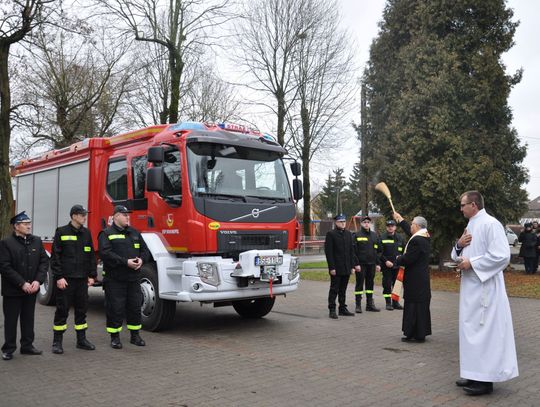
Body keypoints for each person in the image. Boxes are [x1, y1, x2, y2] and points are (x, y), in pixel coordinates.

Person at [452, 190, 518, 396]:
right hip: (470, 288)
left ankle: (486, 380)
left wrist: (472, 263)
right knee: (469, 331)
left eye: (463, 205)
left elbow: (501, 256)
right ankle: (473, 373)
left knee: (485, 334)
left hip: (486, 289)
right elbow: (458, 253)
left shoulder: (491, 224)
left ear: (474, 204)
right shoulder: (471, 225)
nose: (460, 208)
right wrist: (459, 246)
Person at [98, 205, 150, 348]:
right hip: (115, 279)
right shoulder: (106, 233)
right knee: (115, 308)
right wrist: (125, 262)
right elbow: (105, 254)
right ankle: (114, 337)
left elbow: (145, 251)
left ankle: (135, 336)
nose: (128, 217)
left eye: (128, 214)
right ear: (115, 217)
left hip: (133, 279)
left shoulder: (134, 233)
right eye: (124, 214)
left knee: (134, 307)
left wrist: (141, 260)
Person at [0, 211, 48, 360]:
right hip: (13, 291)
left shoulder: (36, 241)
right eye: (25, 224)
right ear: (16, 226)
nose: (29, 226)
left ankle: (27, 346)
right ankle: (8, 349)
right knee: (11, 320)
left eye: (29, 223)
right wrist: (22, 283)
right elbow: (4, 266)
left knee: (28, 319)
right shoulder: (6, 243)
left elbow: (44, 262)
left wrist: (37, 281)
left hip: (31, 289)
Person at [50, 204, 97, 354]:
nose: (85, 217)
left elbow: (91, 256)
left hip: (82, 279)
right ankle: (57, 342)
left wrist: (92, 275)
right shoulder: (61, 232)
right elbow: (55, 257)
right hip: (66, 280)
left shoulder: (87, 233)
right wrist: (59, 277)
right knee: (62, 310)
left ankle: (81, 340)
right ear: (74, 216)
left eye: (85, 214)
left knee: (82, 310)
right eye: (82, 214)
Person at [393, 213, 431, 343]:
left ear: (417, 226)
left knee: (413, 306)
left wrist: (398, 259)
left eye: (412, 224)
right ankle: (419, 332)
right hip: (421, 279)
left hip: (415, 280)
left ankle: (414, 333)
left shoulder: (417, 241)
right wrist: (401, 220)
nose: (410, 226)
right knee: (418, 306)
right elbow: (411, 235)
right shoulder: (424, 237)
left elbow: (408, 258)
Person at [324, 214, 358, 319]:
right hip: (336, 268)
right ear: (336, 222)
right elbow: (329, 253)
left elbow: (352, 252)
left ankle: (342, 308)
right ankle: (332, 309)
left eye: (344, 221)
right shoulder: (331, 234)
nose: (343, 223)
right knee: (334, 289)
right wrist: (331, 268)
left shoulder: (348, 234)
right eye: (340, 222)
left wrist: (353, 266)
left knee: (343, 289)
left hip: (347, 267)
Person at [353, 216, 381, 312]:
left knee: (370, 284)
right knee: (359, 284)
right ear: (361, 223)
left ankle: (369, 305)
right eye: (364, 222)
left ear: (370, 224)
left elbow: (378, 251)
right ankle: (358, 305)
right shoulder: (357, 235)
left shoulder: (374, 235)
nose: (366, 224)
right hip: (361, 265)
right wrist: (356, 264)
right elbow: (354, 251)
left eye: (368, 222)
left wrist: (378, 264)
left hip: (372, 264)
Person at [378, 219, 405, 310]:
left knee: (397, 285)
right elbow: (379, 253)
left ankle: (395, 302)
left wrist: (402, 261)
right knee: (387, 284)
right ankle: (388, 303)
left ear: (395, 227)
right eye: (389, 226)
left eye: (392, 226)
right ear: (386, 227)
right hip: (387, 266)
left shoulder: (400, 238)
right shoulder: (382, 237)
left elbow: (404, 252)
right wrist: (385, 261)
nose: (390, 227)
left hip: (397, 266)